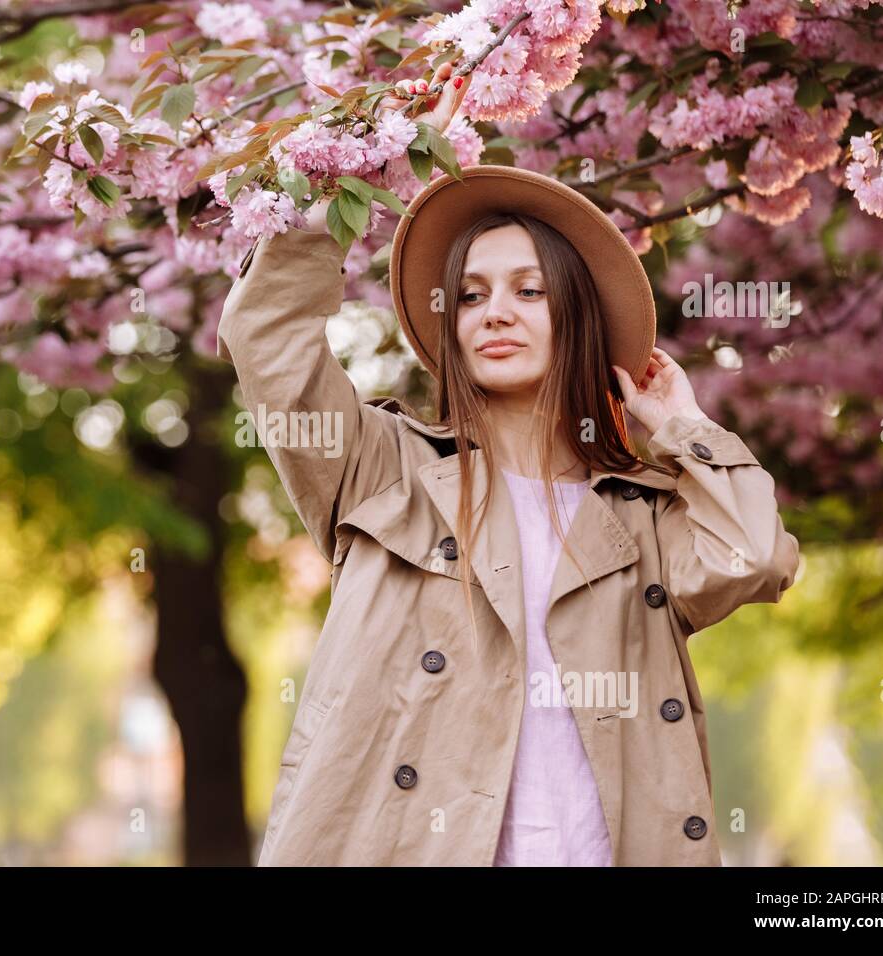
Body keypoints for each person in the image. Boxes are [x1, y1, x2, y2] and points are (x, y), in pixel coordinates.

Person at [216, 61, 801, 866]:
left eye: (529, 291)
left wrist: (684, 430)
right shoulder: (382, 473)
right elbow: (267, 339)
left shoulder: (644, 518)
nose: (495, 312)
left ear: (575, 316)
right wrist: (363, 179)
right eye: (471, 294)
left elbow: (757, 557)